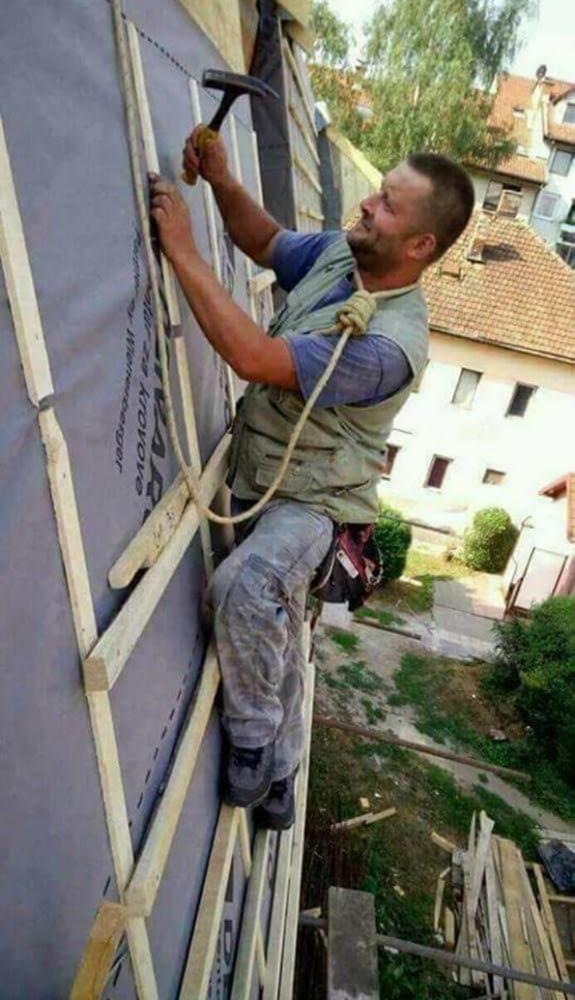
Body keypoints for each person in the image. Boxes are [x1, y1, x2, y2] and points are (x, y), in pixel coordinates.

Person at [149, 128, 474, 830]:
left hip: (315, 502)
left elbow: (254, 358)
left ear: (420, 245)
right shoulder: (343, 253)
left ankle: (255, 743)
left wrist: (181, 250)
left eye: (387, 204)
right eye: (377, 192)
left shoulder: (389, 346)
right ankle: (284, 780)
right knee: (279, 628)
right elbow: (266, 241)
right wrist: (222, 180)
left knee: (246, 587)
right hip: (262, 470)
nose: (367, 205)